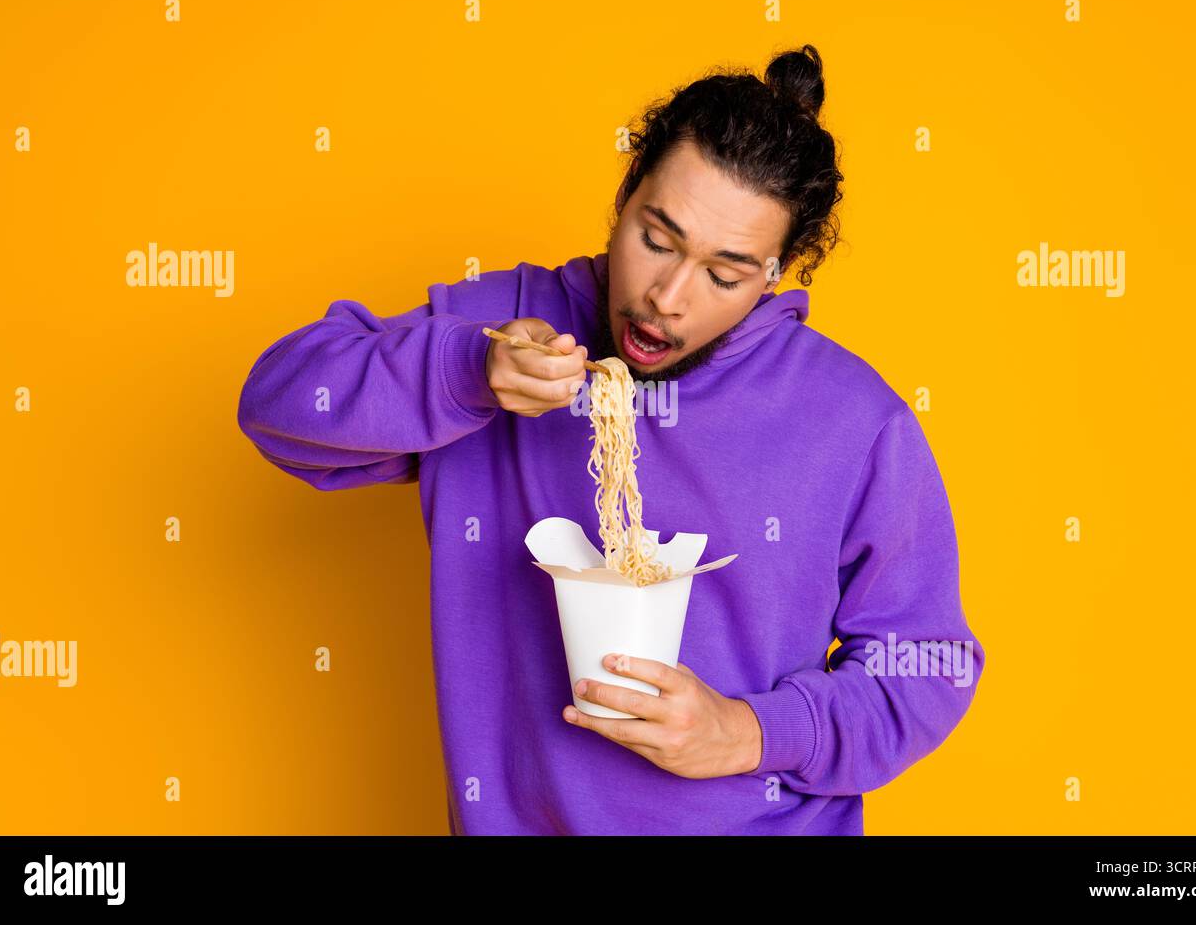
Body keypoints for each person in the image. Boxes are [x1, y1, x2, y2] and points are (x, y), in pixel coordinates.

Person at [237, 44, 984, 834]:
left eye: (724, 275)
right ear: (626, 194)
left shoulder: (851, 419)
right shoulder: (506, 323)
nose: (666, 297)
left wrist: (751, 732)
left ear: (778, 271)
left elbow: (929, 664)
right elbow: (280, 404)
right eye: (657, 239)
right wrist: (465, 372)